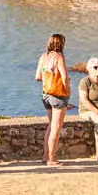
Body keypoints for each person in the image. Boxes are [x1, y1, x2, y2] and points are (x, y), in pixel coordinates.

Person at [35, 33, 71, 166]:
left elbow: (38, 76)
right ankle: (51, 158)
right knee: (56, 127)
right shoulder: (59, 57)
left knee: (50, 126)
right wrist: (67, 91)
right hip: (58, 95)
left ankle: (45, 156)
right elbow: (65, 77)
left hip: (46, 95)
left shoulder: (44, 57)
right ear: (60, 44)